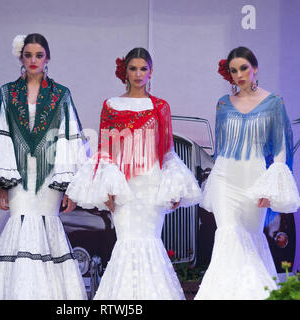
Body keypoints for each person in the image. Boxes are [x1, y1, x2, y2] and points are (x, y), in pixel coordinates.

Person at [65, 48, 202, 300]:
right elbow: (104, 149)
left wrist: (173, 188)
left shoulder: (160, 106)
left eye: (143, 69)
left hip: (151, 183)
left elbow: (167, 150)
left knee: (150, 242)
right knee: (126, 243)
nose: (138, 74)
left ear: (151, 72)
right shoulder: (111, 105)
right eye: (133, 68)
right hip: (123, 187)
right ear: (125, 72)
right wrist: (107, 187)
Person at [0, 33, 88, 300]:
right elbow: (2, 137)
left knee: (48, 229)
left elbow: (68, 137)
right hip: (17, 178)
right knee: (19, 228)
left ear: (47, 58)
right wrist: (2, 185)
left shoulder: (61, 94)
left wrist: (69, 186)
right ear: (21, 58)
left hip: (50, 177)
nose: (33, 60)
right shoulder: (7, 92)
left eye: (39, 55)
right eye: (28, 55)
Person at [195, 47, 300, 300]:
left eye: (244, 68)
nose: (239, 74)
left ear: (255, 68)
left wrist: (271, 190)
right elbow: (221, 149)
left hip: (255, 180)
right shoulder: (223, 104)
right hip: (224, 178)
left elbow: (281, 149)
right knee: (227, 234)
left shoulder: (274, 102)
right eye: (233, 70)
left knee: (250, 238)